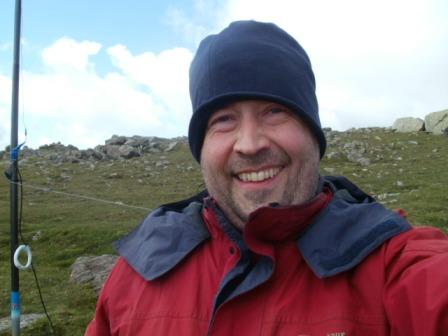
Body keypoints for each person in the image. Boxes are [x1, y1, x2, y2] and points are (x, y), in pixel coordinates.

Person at [85, 21, 448, 335]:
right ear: (202, 146)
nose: (249, 144)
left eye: (274, 111)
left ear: (312, 135)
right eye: (223, 119)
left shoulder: (393, 263)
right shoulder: (141, 269)